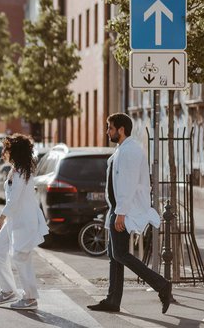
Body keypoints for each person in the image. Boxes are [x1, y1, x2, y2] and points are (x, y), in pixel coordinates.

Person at [87, 113, 172, 314]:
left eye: (110, 128)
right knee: (113, 255)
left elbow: (128, 183)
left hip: (124, 210)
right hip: (117, 209)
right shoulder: (122, 149)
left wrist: (121, 213)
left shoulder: (130, 151)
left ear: (121, 129)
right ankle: (113, 301)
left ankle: (161, 285)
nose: (107, 131)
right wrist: (116, 210)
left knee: (120, 254)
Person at [0, 134, 48, 311]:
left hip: (24, 221)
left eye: (6, 149)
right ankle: (8, 291)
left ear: (14, 151)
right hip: (15, 219)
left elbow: (13, 200)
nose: (3, 152)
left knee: (20, 257)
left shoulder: (21, 172)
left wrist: (0, 218)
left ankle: (30, 298)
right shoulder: (16, 169)